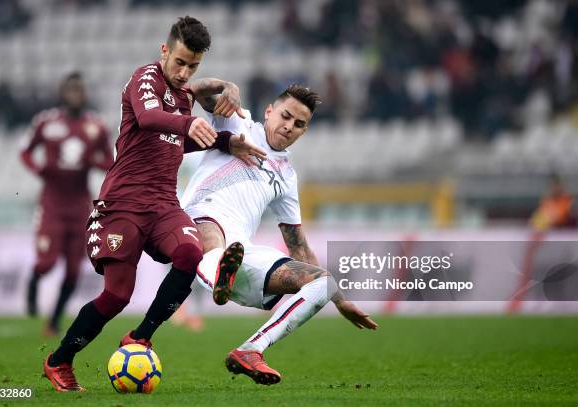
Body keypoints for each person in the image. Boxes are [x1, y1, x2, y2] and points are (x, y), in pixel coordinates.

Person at [43, 16, 265, 392]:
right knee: (116, 294)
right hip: (123, 203)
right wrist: (188, 121)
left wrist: (228, 143)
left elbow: (181, 138)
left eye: (193, 66)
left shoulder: (182, 97)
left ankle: (140, 337)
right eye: (179, 62)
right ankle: (59, 360)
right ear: (165, 51)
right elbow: (148, 119)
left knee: (190, 254)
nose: (184, 72)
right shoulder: (144, 77)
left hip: (163, 203)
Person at [179, 84, 378, 385]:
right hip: (198, 219)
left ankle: (250, 350)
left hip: (240, 252)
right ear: (269, 111)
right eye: (285, 116)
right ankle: (219, 269)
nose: (289, 127)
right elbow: (195, 90)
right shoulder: (239, 123)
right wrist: (226, 87)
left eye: (299, 124)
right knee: (213, 242)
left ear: (305, 130)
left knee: (323, 283)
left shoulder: (286, 177)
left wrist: (338, 299)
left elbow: (298, 247)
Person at [21, 72, 113, 337]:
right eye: (71, 90)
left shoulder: (95, 126)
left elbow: (108, 160)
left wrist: (91, 162)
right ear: (63, 93)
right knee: (47, 263)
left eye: (79, 90)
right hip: (52, 203)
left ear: (84, 94)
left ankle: (54, 320)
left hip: (79, 205)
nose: (75, 95)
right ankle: (34, 281)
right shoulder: (47, 121)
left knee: (73, 271)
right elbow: (25, 150)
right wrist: (39, 168)